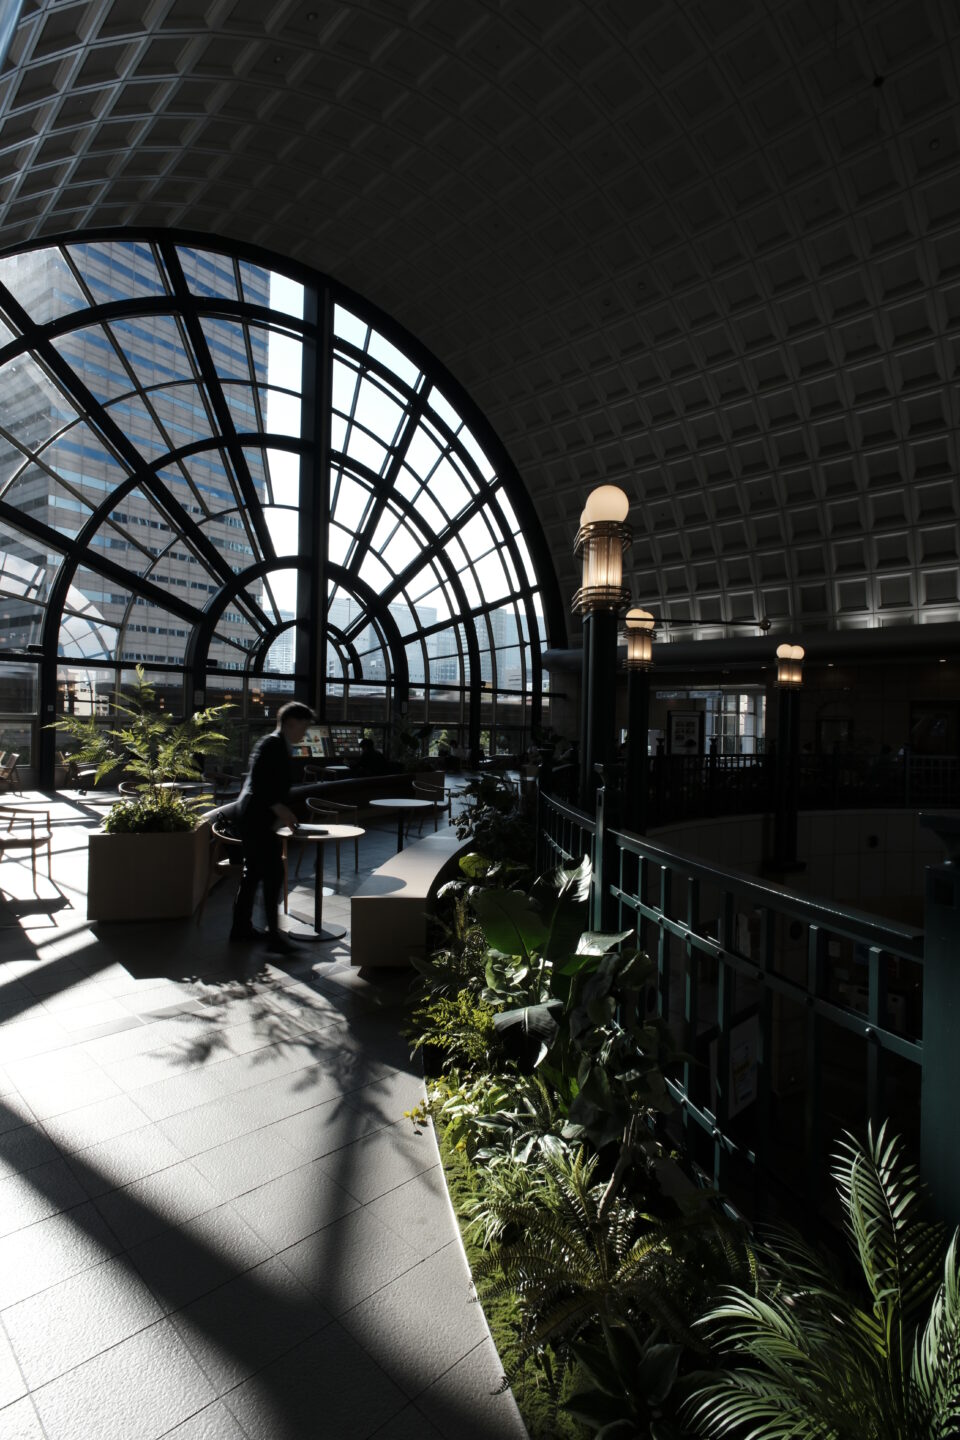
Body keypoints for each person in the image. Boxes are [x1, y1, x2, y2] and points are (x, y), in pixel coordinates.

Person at [230, 700, 314, 954]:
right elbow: (260, 784)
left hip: (254, 818)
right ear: (290, 723)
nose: (305, 732)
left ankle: (241, 929)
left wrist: (280, 811)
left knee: (254, 875)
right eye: (303, 726)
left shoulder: (274, 743)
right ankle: (273, 938)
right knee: (273, 874)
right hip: (256, 820)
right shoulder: (273, 744)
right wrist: (279, 808)